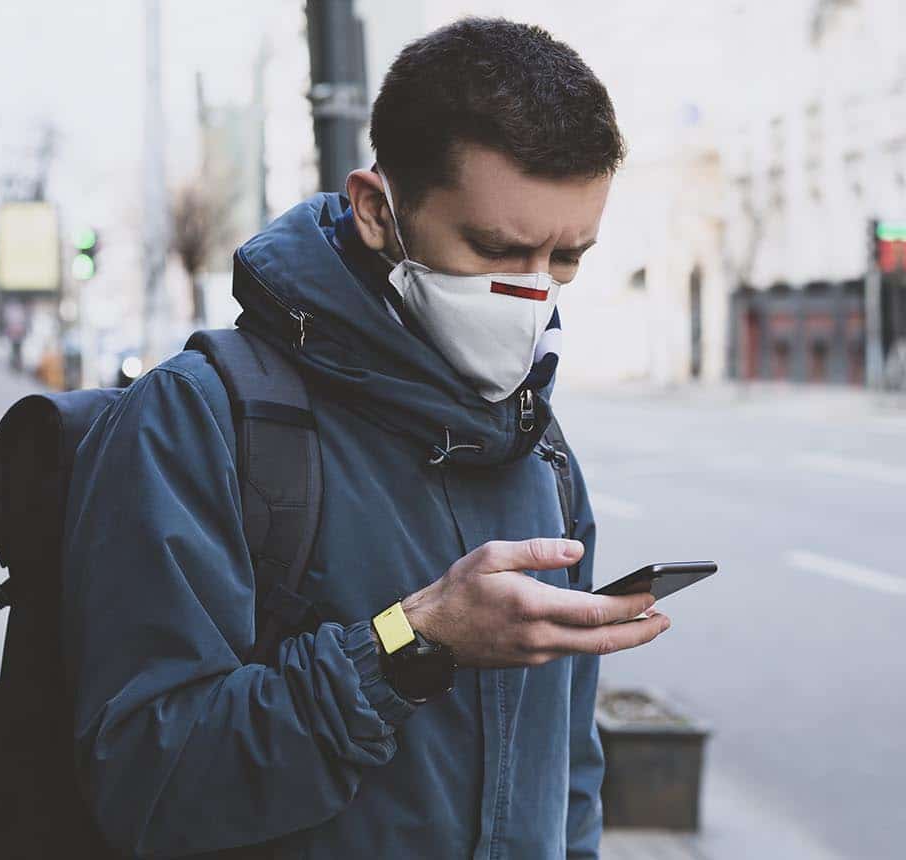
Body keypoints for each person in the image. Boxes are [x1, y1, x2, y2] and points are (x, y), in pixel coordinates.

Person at [61, 18, 669, 858]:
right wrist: (411, 643)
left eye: (566, 258)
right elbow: (150, 782)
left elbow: (568, 778)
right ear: (378, 211)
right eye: (496, 249)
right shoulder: (198, 418)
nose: (533, 294)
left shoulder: (540, 450)